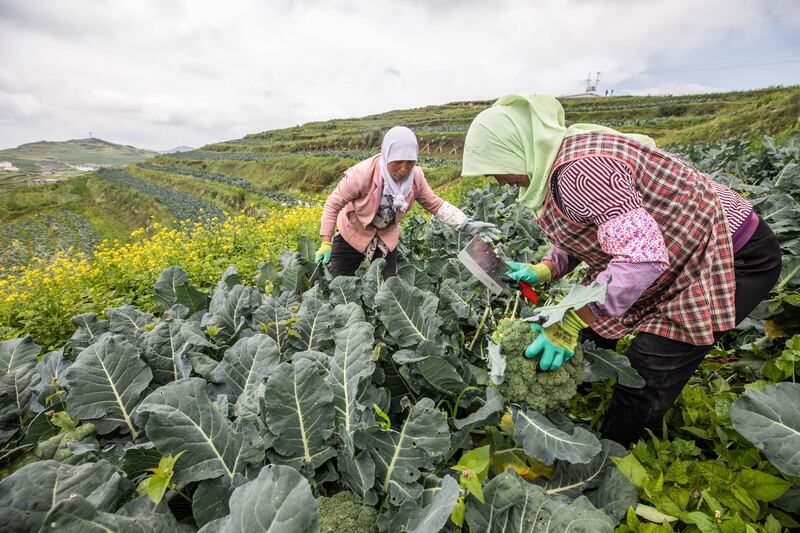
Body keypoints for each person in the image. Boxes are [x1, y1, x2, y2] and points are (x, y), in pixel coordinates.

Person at [461, 94, 782, 447]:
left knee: (649, 363)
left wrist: (570, 320)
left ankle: (609, 460)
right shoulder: (554, 163)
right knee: (591, 331)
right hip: (671, 253)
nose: (498, 181)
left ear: (514, 149)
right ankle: (571, 399)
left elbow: (641, 257)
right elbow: (597, 226)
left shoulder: (579, 172)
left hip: (731, 253)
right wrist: (546, 268)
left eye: (494, 168)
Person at [316, 126, 499, 278]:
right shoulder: (362, 174)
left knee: (391, 287)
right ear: (387, 155)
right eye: (398, 162)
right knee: (338, 283)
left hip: (384, 236)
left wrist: (465, 223)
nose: (404, 169)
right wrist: (326, 242)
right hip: (353, 232)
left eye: (410, 162)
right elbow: (333, 204)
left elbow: (434, 204)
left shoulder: (416, 177)